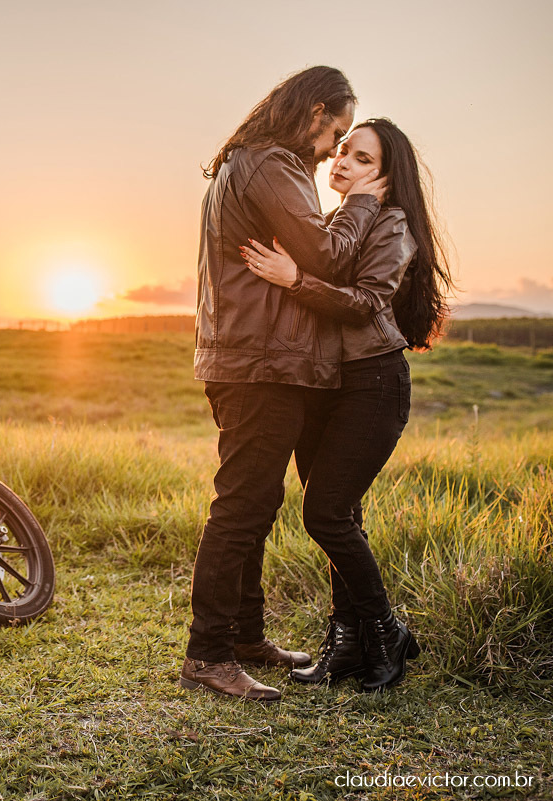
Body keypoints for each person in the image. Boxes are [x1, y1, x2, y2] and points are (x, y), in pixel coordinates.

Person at [183, 66, 387, 703]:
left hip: (243, 356)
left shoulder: (245, 163)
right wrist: (361, 201)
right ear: (315, 111)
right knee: (242, 507)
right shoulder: (273, 165)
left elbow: (306, 255)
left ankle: (244, 638)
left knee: (256, 503)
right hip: (260, 363)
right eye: (337, 132)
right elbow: (327, 256)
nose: (333, 148)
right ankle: (207, 654)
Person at [241, 118, 452, 691]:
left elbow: (362, 305)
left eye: (362, 159)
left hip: (372, 382)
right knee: (342, 514)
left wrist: (292, 278)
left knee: (325, 513)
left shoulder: (392, 225)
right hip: (322, 386)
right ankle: (346, 641)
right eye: (342, 152)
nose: (342, 163)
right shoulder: (332, 224)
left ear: (385, 177)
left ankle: (386, 633)